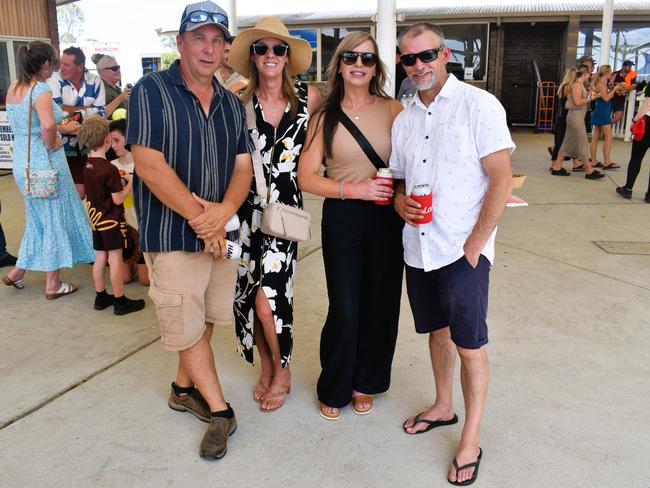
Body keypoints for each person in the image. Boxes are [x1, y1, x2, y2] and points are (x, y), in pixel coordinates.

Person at [127, 0, 252, 460]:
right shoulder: (150, 90)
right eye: (198, 37)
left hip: (219, 233)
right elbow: (149, 164)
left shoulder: (230, 104)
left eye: (217, 40)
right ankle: (221, 411)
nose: (208, 48)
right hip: (175, 237)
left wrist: (224, 211)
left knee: (206, 318)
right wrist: (203, 218)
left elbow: (243, 167)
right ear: (180, 43)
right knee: (187, 320)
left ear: (224, 50)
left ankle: (183, 388)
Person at [391, 23, 515, 486]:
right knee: (437, 332)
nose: (419, 65)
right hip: (419, 248)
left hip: (464, 250)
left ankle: (471, 438)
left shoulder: (478, 105)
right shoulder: (404, 120)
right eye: (409, 59)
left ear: (445, 55)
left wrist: (475, 246)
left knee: (470, 346)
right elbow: (401, 180)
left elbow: (501, 179)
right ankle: (444, 406)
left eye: (427, 56)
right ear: (403, 65)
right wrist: (399, 201)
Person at [298, 31, 403, 420]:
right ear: (339, 64)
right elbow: (307, 177)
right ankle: (335, 384)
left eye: (368, 59)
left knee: (381, 302)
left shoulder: (394, 110)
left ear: (376, 67)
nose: (359, 65)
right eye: (351, 58)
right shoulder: (323, 116)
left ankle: (366, 381)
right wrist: (354, 189)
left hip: (388, 217)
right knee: (344, 306)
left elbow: (413, 162)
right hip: (343, 215)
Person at [229, 16, 321, 412]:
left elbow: (339, 132)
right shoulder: (237, 99)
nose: (270, 55)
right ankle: (266, 366)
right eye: (262, 48)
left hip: (284, 211)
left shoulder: (309, 98)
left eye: (278, 49)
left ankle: (282, 369)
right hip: (245, 210)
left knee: (270, 300)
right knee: (249, 297)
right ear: (252, 56)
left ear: (288, 57)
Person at [2, 41, 94, 296]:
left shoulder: (14, 88)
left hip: (23, 161)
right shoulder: (40, 90)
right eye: (53, 64)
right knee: (55, 218)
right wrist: (51, 141)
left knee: (38, 218)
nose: (54, 69)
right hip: (45, 162)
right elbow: (47, 124)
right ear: (44, 64)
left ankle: (17, 271)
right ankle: (53, 283)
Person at [78, 116, 145, 315]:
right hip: (112, 222)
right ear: (107, 140)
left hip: (96, 221)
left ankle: (101, 296)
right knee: (115, 260)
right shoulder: (109, 168)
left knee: (100, 259)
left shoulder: (88, 164)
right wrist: (132, 182)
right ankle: (120, 300)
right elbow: (118, 199)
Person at [48, 46, 106, 198]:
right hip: (62, 146)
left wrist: (71, 113)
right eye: (61, 63)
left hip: (91, 144)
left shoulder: (95, 81)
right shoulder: (54, 79)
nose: (61, 68)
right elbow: (58, 111)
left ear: (80, 67)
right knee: (76, 193)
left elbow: (101, 112)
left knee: (95, 191)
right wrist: (88, 109)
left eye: (66, 65)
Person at [109, 119, 149, 285]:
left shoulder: (143, 165)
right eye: (110, 141)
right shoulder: (111, 166)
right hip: (123, 227)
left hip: (142, 224)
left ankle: (142, 263)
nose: (113, 145)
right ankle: (131, 264)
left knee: (145, 281)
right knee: (124, 279)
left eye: (117, 140)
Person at [549, 67, 605, 179]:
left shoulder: (579, 85)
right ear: (584, 74)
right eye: (589, 74)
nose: (590, 76)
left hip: (577, 117)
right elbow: (577, 101)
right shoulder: (576, 85)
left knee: (568, 143)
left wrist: (590, 95)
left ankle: (557, 167)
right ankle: (589, 170)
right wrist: (591, 97)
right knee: (582, 143)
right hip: (575, 117)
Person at [616, 85, 650, 202]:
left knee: (636, 156)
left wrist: (634, 121)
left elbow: (647, 105)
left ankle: (628, 189)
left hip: (648, 126)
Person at [547, 68, 582, 170]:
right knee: (561, 141)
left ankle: (574, 163)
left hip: (561, 115)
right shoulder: (567, 87)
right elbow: (575, 101)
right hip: (564, 116)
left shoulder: (563, 85)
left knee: (565, 141)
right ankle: (554, 164)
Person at [589, 65, 620, 169]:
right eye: (610, 72)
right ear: (606, 73)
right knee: (608, 138)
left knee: (596, 137)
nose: (611, 74)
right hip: (602, 112)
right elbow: (606, 98)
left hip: (602, 111)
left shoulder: (602, 84)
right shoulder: (601, 84)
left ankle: (593, 161)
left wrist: (613, 89)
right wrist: (614, 89)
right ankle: (607, 161)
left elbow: (604, 95)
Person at [92, 53, 131, 118]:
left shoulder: (117, 89)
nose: (118, 70)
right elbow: (96, 116)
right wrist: (120, 98)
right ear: (103, 71)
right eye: (114, 68)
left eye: (118, 67)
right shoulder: (98, 89)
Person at [611, 60, 637, 126]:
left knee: (618, 117)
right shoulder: (615, 73)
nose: (630, 68)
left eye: (631, 66)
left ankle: (605, 126)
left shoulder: (632, 74)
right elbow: (609, 85)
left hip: (621, 99)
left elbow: (634, 86)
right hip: (611, 98)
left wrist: (625, 90)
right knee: (604, 116)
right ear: (624, 66)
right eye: (629, 66)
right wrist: (615, 89)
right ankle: (604, 129)